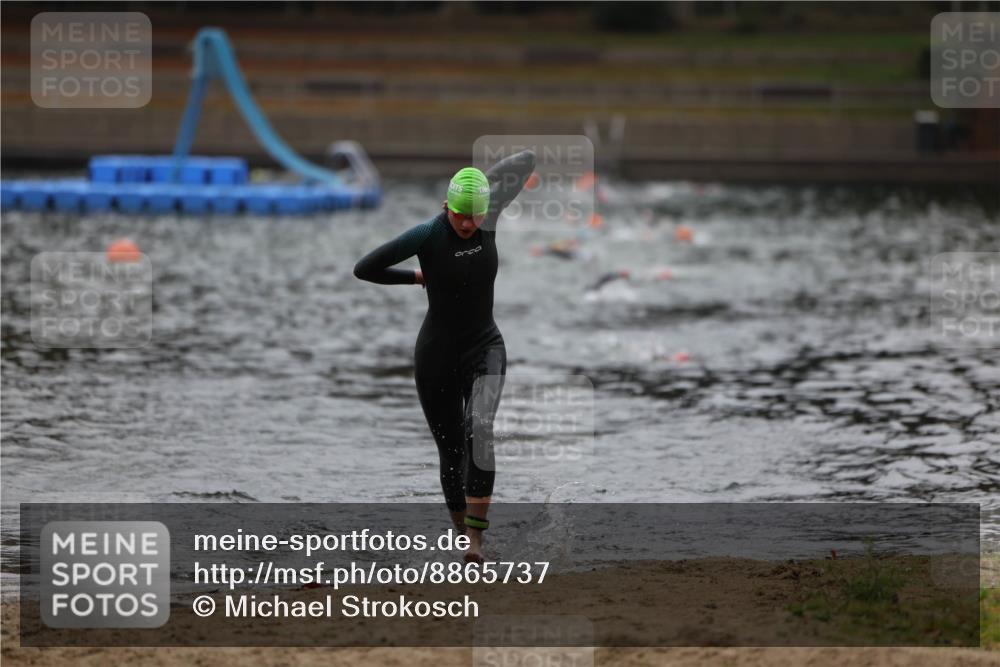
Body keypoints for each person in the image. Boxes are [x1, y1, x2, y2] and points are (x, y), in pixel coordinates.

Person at [354, 150, 535, 563]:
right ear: (446, 207)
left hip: (485, 346)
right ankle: (462, 537)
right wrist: (417, 275)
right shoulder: (426, 234)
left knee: (480, 428)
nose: (469, 224)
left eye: (475, 215)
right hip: (435, 354)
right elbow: (365, 268)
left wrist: (481, 183)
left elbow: (525, 161)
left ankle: (476, 541)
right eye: (460, 215)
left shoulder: (487, 216)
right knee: (451, 451)